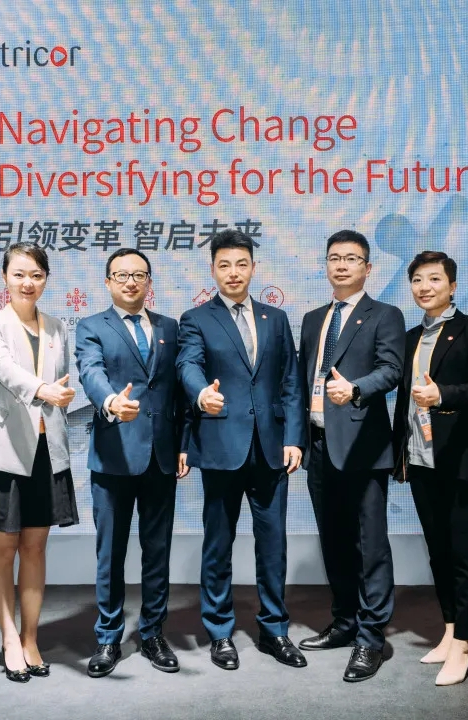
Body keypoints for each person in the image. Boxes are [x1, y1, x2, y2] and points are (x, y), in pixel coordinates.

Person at [176, 229, 307, 671]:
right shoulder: (196, 318)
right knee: (218, 544)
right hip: (221, 447)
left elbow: (291, 381)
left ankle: (274, 630)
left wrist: (293, 437)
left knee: (273, 545)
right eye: (224, 265)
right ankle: (219, 632)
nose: (233, 273)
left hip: (271, 450)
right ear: (213, 270)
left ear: (253, 267)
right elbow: (188, 365)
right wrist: (201, 394)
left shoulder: (276, 318)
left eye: (241, 264)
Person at [0, 242, 78, 683]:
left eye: (37, 275)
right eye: (20, 274)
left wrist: (61, 395)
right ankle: (9, 637)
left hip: (47, 451)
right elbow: (3, 369)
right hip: (6, 451)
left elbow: (63, 381)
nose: (28, 283)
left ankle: (30, 638)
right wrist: (43, 390)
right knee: (3, 549)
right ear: (5, 278)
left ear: (46, 279)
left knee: (35, 548)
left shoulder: (58, 326)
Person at [392, 250, 468, 686]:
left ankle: (465, 643)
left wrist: (441, 394)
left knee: (466, 553)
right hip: (422, 458)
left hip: (466, 459)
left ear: (452, 285)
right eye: (417, 280)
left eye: (434, 279)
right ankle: (448, 631)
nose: (425, 287)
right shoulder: (409, 338)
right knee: (439, 551)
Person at [74, 248, 190, 678]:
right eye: (121, 275)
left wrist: (184, 444)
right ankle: (108, 637)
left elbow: (179, 391)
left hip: (161, 457)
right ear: (108, 282)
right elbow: (91, 372)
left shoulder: (170, 327)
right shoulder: (91, 327)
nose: (130, 282)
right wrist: (110, 401)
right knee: (111, 553)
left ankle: (153, 633)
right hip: (113, 457)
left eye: (139, 275)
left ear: (149, 282)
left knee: (157, 552)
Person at [297, 230, 406, 682]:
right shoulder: (312, 319)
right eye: (334, 258)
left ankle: (370, 637)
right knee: (335, 541)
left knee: (370, 546)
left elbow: (391, 370)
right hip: (319, 446)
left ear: (367, 268)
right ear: (325, 265)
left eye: (351, 258)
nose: (341, 265)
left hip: (363, 447)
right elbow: (301, 381)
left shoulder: (385, 315)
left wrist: (356, 389)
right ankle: (344, 622)